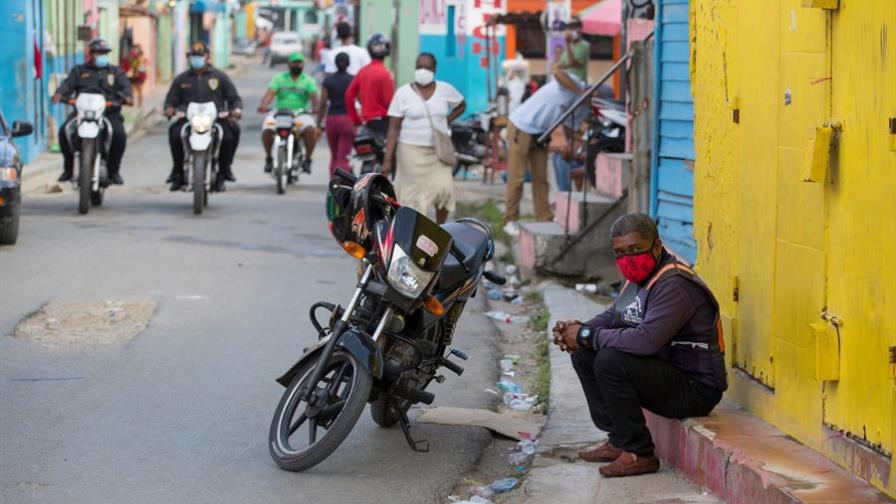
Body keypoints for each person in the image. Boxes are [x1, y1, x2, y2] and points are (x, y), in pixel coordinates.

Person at [552, 213, 727, 478]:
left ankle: (640, 454)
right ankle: (619, 440)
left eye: (635, 249)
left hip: (695, 389)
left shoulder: (674, 283)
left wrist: (587, 335)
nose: (628, 258)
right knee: (585, 353)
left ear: (656, 246)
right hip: (664, 372)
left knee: (610, 360)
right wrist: (576, 330)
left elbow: (646, 340)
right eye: (620, 252)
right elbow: (615, 316)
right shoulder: (638, 278)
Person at [382, 53, 465, 224]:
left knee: (444, 189)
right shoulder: (403, 93)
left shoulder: (445, 89)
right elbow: (393, 129)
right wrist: (387, 161)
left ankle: (440, 228)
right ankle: (412, 232)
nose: (422, 70)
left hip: (438, 152)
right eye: (419, 66)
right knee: (411, 196)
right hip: (410, 152)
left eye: (427, 67)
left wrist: (446, 121)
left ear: (434, 70)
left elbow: (461, 104)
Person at [503, 69, 588, 236]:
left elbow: (570, 127)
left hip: (542, 133)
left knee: (541, 179)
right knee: (517, 177)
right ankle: (510, 219)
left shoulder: (583, 107)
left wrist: (578, 146)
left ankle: (544, 217)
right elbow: (558, 73)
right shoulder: (576, 84)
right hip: (522, 126)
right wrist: (581, 92)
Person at [163, 41, 243, 191]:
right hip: (188, 118)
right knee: (174, 133)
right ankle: (178, 172)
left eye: (200, 56)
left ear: (207, 57)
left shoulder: (220, 77)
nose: (196, 59)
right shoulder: (182, 79)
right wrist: (169, 108)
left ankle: (224, 170)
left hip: (215, 118)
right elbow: (171, 99)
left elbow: (234, 98)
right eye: (193, 56)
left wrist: (236, 110)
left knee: (230, 135)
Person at [52, 38, 132, 185]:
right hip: (82, 112)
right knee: (64, 131)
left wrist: (126, 97)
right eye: (98, 52)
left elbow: (126, 90)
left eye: (104, 53)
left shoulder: (116, 72)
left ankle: (114, 171)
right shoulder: (79, 70)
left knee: (119, 135)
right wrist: (59, 94)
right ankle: (68, 169)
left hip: (109, 112)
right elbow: (67, 85)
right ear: (91, 54)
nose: (101, 55)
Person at [257, 52, 319, 174]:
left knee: (311, 130)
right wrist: (263, 105)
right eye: (294, 62)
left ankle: (307, 160)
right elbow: (270, 94)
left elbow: (314, 98)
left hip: (300, 114)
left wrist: (316, 108)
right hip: (279, 113)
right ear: (289, 64)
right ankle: (269, 158)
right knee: (267, 129)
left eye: (299, 62)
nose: (297, 64)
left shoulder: (308, 81)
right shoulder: (279, 78)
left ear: (303, 65)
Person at [344, 33, 395, 140]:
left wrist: (355, 119)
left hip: (366, 124)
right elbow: (389, 103)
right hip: (383, 124)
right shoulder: (385, 74)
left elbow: (349, 95)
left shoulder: (362, 72)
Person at [317, 53, 354, 177]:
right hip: (347, 119)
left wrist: (318, 123)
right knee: (343, 157)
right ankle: (342, 187)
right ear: (348, 63)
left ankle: (333, 186)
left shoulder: (328, 81)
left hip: (331, 119)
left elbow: (322, 104)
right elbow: (359, 99)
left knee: (334, 155)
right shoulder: (353, 80)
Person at [558, 17, 590, 83]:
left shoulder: (584, 45)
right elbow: (561, 65)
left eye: (574, 28)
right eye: (569, 28)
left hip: (578, 82)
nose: (571, 31)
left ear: (580, 29)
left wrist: (567, 43)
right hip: (566, 83)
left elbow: (573, 63)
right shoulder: (568, 45)